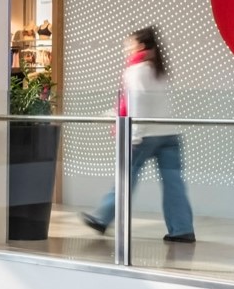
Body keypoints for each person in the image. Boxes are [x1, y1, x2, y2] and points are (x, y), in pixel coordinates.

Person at [82, 27, 195, 243]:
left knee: (126, 179)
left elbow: (138, 103)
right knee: (174, 184)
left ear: (140, 46)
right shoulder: (159, 70)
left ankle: (101, 218)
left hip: (146, 135)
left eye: (128, 44)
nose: (126, 49)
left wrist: (134, 136)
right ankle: (182, 229)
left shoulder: (136, 70)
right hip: (170, 133)